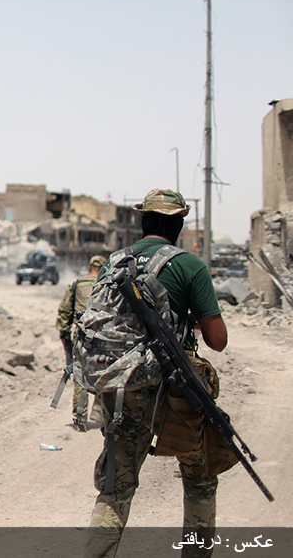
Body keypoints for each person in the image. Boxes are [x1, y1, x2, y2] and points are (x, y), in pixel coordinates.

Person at [85, 189, 228, 558]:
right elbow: (218, 341)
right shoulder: (189, 266)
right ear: (178, 225)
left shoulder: (114, 262)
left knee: (116, 489)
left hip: (124, 385)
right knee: (199, 479)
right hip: (177, 391)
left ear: (142, 221)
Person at [55, 254, 107, 431]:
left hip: (82, 336)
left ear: (89, 268)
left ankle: (79, 418)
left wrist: (64, 335)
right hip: (105, 337)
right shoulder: (108, 284)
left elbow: (64, 312)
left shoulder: (77, 284)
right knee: (104, 373)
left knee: (80, 376)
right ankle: (99, 411)